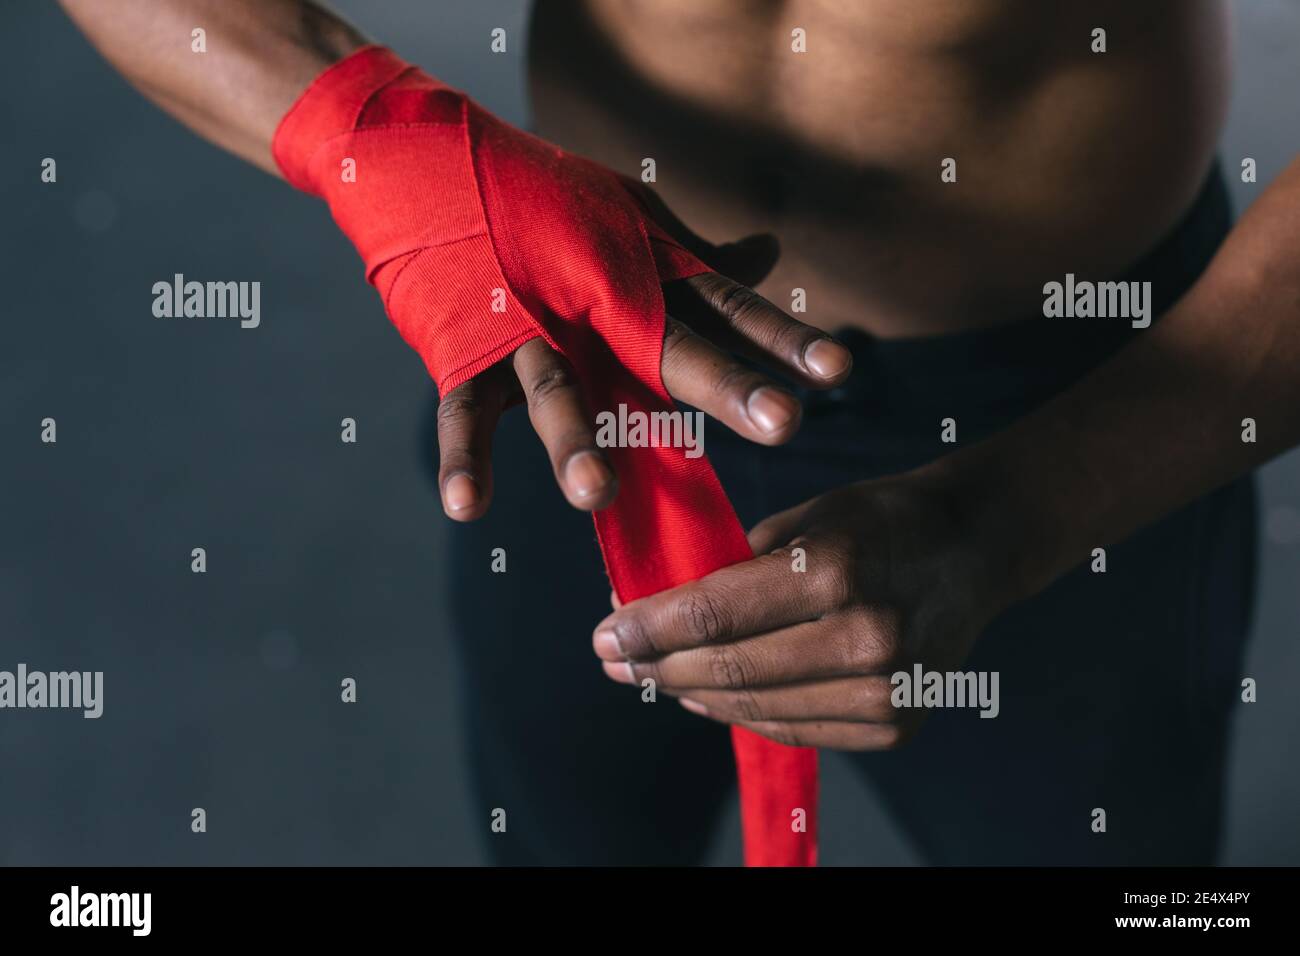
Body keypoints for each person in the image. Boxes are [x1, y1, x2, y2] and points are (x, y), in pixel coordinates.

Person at [58, 0, 1298, 865]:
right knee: (571, 839)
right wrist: (384, 139)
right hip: (575, 367)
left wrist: (1015, 516)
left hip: (1062, 403)